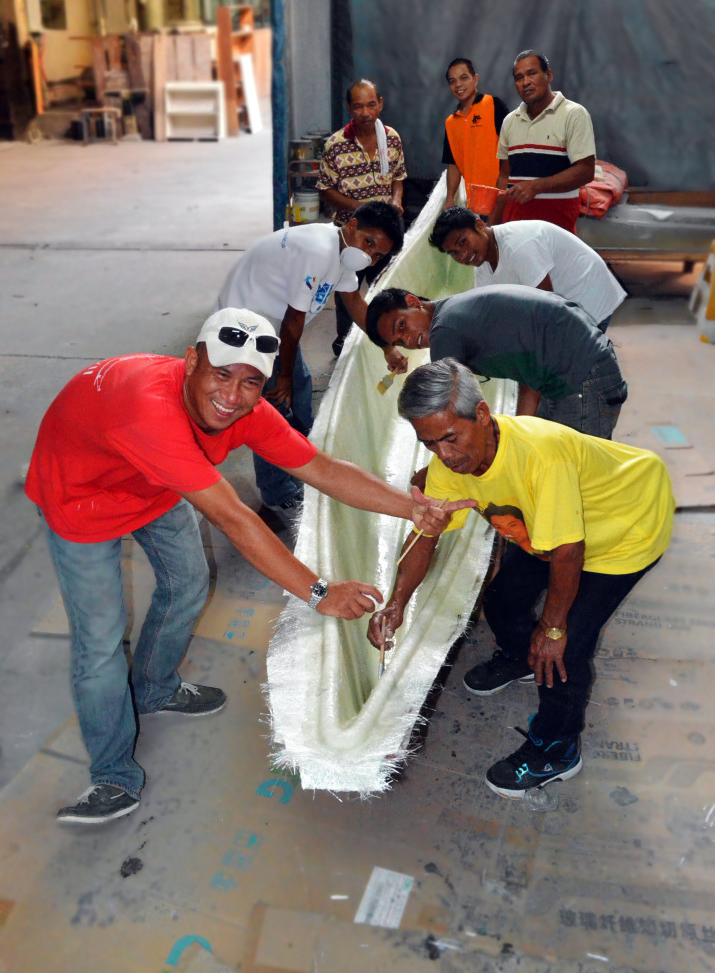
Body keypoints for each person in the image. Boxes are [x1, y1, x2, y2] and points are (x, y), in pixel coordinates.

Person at [26, 307, 463, 827]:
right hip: (82, 497)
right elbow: (233, 517)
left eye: (250, 382)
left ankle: (154, 687)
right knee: (99, 645)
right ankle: (113, 775)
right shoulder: (149, 410)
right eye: (221, 374)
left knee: (187, 584)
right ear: (191, 362)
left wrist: (410, 506)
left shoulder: (244, 411)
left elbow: (320, 468)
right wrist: (319, 591)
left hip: (156, 482)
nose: (232, 397)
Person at [368, 359, 674, 798]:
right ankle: (518, 658)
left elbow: (569, 552)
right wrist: (396, 603)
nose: (445, 456)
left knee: (565, 651)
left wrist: (551, 630)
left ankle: (558, 747)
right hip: (546, 529)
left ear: (482, 415)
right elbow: (426, 535)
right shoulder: (450, 463)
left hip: (626, 525)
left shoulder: (539, 457)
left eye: (451, 439)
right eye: (430, 444)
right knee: (504, 601)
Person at [216, 202, 406, 514]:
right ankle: (277, 491)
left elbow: (354, 301)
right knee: (275, 410)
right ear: (352, 225)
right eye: (368, 242)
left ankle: (298, 468)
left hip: (272, 325)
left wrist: (385, 345)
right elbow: (294, 323)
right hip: (246, 326)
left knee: (300, 397)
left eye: (377, 255)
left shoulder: (346, 255)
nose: (368, 255)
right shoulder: (318, 250)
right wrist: (284, 377)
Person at [365, 286, 628, 438]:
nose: (408, 339)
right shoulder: (459, 310)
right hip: (587, 365)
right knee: (548, 454)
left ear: (413, 302)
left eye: (402, 325)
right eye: (399, 341)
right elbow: (530, 371)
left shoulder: (445, 330)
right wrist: (520, 433)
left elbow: (447, 411)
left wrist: (435, 473)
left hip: (582, 377)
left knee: (575, 473)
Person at [317, 78, 407, 355]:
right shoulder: (335, 145)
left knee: (384, 289)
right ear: (348, 108)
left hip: (384, 237)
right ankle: (345, 340)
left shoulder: (391, 138)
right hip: (351, 236)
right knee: (347, 293)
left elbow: (399, 178)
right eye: (358, 107)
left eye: (371, 105)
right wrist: (360, 208)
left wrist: (395, 200)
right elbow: (325, 190)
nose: (365, 113)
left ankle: (385, 338)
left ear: (380, 103)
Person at [430, 207, 626, 330]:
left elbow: (548, 308)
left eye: (462, 242)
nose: (462, 255)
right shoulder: (481, 262)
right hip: (566, 303)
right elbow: (488, 309)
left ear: (480, 225)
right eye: (454, 253)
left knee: (577, 372)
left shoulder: (519, 245)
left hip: (588, 295)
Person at [492, 50, 596, 235]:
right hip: (514, 234)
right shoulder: (510, 121)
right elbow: (504, 177)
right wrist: (491, 229)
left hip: (556, 235)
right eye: (519, 77)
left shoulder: (573, 114)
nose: (525, 82)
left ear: (548, 75)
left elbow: (586, 171)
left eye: (532, 73)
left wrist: (536, 187)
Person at [441, 57, 508, 212]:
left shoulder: (492, 104)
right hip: (476, 203)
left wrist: (504, 187)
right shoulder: (451, 122)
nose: (458, 85)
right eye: (453, 81)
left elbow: (513, 147)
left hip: (503, 198)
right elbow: (454, 164)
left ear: (475, 79)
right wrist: (450, 197)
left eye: (464, 78)